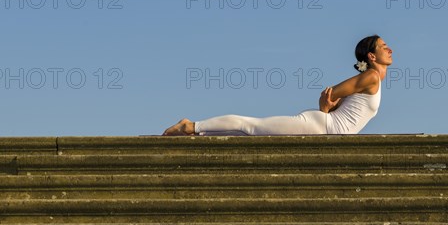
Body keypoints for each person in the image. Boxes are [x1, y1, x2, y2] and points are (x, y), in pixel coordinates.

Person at [162, 35, 393, 136]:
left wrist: (329, 107)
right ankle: (191, 126)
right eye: (384, 46)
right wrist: (326, 107)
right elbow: (330, 94)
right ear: (371, 56)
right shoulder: (371, 77)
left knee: (249, 132)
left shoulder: (372, 80)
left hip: (326, 127)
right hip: (321, 127)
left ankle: (199, 133)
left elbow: (335, 101)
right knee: (251, 126)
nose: (389, 49)